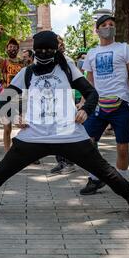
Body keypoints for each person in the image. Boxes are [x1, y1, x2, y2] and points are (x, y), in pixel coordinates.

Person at [0, 30, 129, 223]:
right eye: (39, 50)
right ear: (34, 51)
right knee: (2, 170)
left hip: (68, 134)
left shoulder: (67, 69)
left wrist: (85, 109)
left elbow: (92, 93)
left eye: (48, 50)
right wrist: (14, 115)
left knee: (104, 171)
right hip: (34, 135)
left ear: (55, 50)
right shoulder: (27, 72)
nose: (43, 53)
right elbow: (2, 98)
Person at [79, 15, 129, 195]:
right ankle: (95, 177)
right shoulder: (91, 53)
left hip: (121, 103)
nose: (108, 27)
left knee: (122, 146)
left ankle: (121, 180)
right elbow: (89, 81)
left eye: (111, 24)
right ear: (97, 30)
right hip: (98, 105)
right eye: (104, 25)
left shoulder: (125, 49)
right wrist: (84, 103)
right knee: (87, 142)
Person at [0, 25, 23, 152]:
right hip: (6, 97)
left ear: (18, 49)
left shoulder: (23, 63)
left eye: (14, 47)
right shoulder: (4, 62)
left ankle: (29, 152)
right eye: (10, 47)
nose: (12, 49)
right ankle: (7, 153)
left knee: (25, 124)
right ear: (7, 49)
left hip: (20, 98)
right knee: (7, 127)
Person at [50, 35, 77, 174]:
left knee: (65, 134)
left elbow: (74, 81)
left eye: (59, 43)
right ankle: (60, 161)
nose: (58, 46)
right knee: (55, 134)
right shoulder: (50, 62)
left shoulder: (68, 61)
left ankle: (70, 163)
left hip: (65, 100)